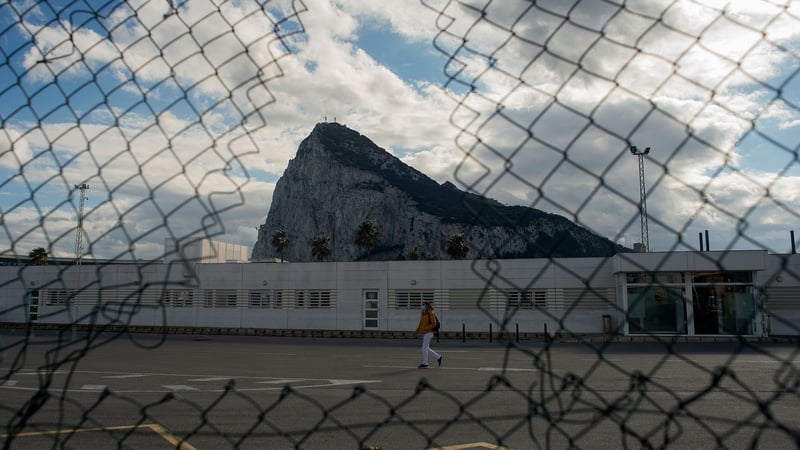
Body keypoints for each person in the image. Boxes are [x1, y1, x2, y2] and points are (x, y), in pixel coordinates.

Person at [415, 301, 442, 368]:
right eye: (422, 305)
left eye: (424, 305)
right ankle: (438, 357)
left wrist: (426, 328)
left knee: (424, 348)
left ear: (427, 305)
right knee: (426, 348)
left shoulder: (431, 313)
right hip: (425, 332)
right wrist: (417, 331)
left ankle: (425, 364)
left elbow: (434, 323)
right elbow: (421, 323)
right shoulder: (423, 313)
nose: (423, 306)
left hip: (429, 332)